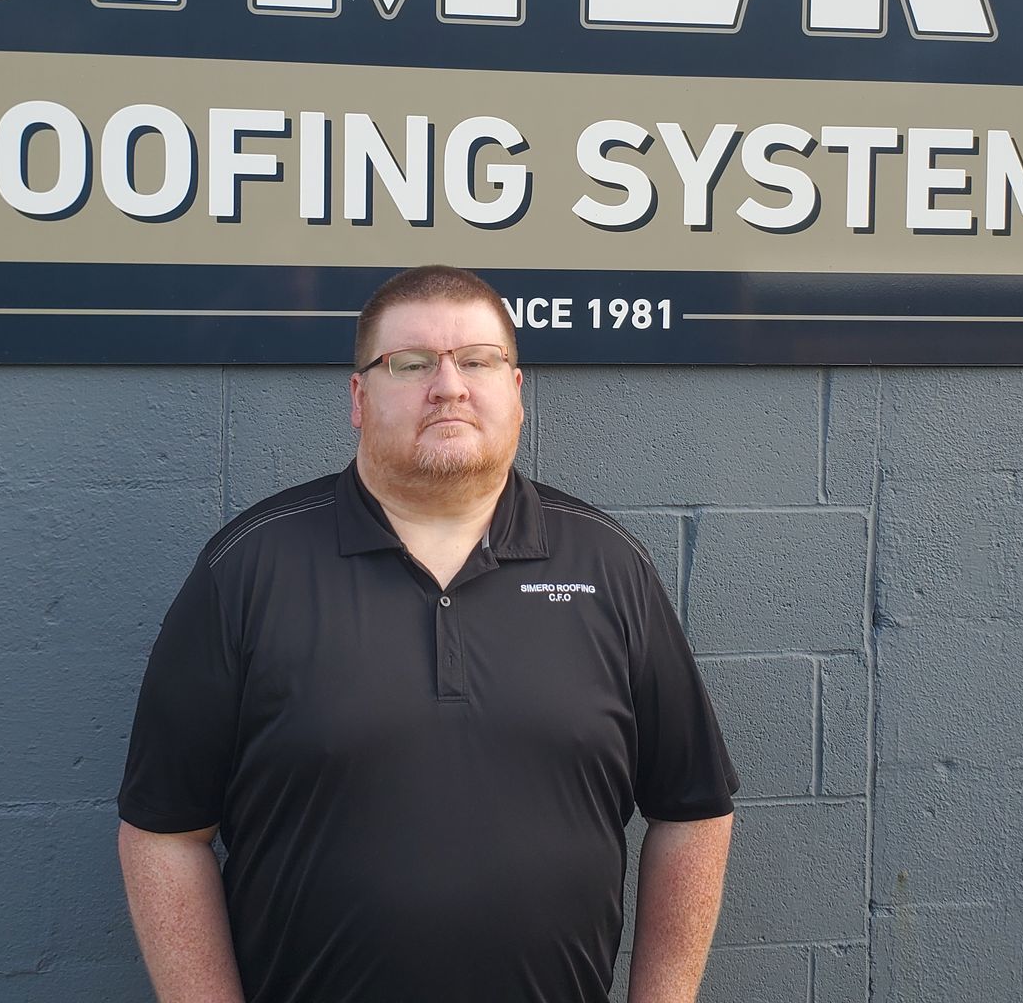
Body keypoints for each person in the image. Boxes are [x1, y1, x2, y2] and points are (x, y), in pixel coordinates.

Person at [117, 264, 738, 1003]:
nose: (449, 386)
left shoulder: (609, 567)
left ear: (516, 390)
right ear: (358, 397)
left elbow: (693, 810)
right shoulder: (249, 568)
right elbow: (165, 833)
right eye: (410, 364)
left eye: (478, 361)